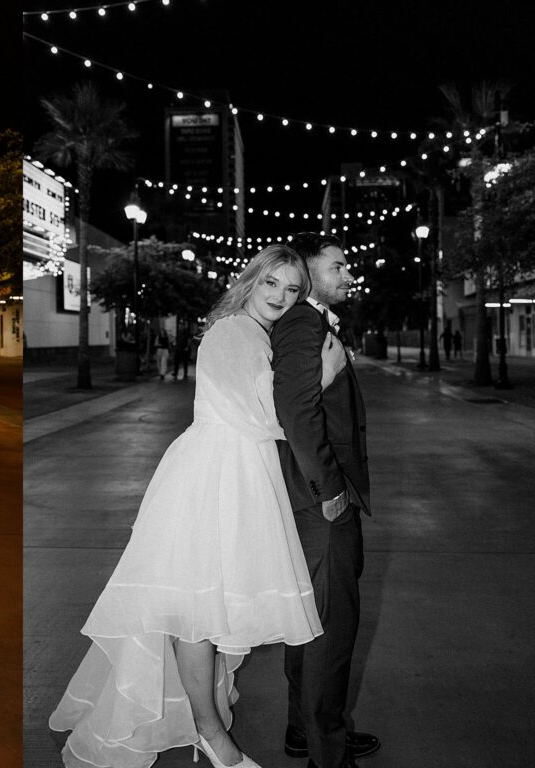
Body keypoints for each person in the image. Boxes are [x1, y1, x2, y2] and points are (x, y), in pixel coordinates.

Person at [49, 245, 346, 768]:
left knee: (208, 609)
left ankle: (205, 726)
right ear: (250, 281)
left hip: (241, 475)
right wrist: (321, 379)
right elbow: (262, 418)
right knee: (196, 614)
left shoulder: (257, 332)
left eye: (293, 289)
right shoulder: (233, 332)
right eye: (271, 283)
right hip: (217, 475)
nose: (281, 296)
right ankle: (212, 735)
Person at [272, 233, 380, 768]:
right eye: (338, 266)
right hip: (319, 503)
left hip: (318, 498)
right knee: (331, 632)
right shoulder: (301, 324)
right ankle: (327, 752)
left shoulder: (313, 323)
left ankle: (306, 732)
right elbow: (296, 413)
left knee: (310, 622)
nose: (348, 275)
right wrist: (331, 492)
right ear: (309, 273)